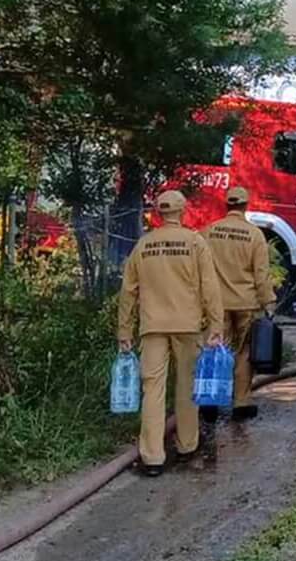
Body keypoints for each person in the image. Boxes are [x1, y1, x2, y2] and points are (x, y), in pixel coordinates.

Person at [117, 189, 225, 476]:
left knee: (152, 390)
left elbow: (128, 292)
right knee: (187, 387)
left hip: (152, 328)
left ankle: (152, 457)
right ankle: (187, 445)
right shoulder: (194, 242)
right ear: (183, 211)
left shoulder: (143, 245)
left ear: (159, 213)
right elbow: (209, 287)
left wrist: (124, 330)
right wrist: (216, 325)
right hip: (188, 326)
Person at [198, 185, 275, 458]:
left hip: (215, 304)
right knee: (243, 354)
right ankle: (241, 403)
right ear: (245, 205)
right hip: (245, 303)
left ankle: (209, 402)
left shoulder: (208, 232)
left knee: (213, 351)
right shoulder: (255, 235)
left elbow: (200, 268)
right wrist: (269, 303)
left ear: (226, 204)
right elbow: (261, 274)